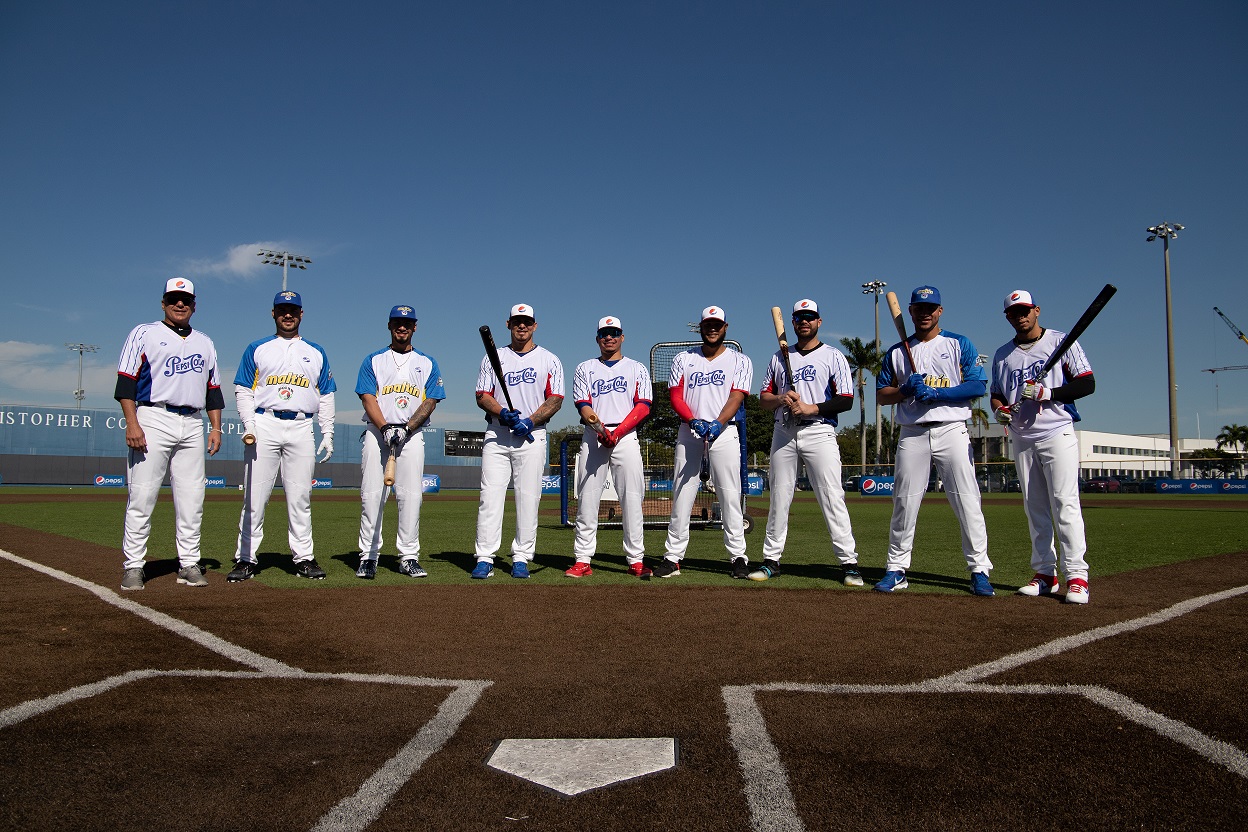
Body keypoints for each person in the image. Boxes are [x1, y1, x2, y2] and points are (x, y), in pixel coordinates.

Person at [875, 285, 994, 596]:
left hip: (952, 429)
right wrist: (905, 390)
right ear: (911, 312)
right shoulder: (897, 352)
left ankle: (979, 569)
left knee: (967, 500)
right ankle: (897, 568)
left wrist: (939, 393)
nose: (925, 313)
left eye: (931, 308)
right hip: (912, 432)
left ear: (940, 311)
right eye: (919, 308)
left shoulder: (958, 343)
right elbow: (881, 395)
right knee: (904, 501)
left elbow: (977, 385)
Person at [115, 277, 223, 590]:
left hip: (192, 421)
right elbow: (125, 382)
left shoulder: (205, 341)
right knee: (143, 495)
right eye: (174, 299)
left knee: (192, 498)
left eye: (186, 300)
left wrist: (215, 427)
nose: (180, 304)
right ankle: (134, 565)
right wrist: (132, 422)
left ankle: (189, 563)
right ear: (163, 303)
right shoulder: (144, 332)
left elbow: (213, 390)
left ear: (194, 305)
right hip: (153, 416)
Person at [990, 290, 1095, 604]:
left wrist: (1049, 393)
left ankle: (1077, 576)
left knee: (1064, 503)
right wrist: (999, 410)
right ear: (1007, 317)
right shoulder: (1002, 354)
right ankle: (1045, 574)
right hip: (1022, 437)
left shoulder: (1061, 341)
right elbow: (996, 393)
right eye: (1013, 313)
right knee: (1034, 507)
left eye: (1024, 311)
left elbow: (1087, 383)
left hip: (1056, 432)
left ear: (1036, 310)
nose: (1020, 317)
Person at [228, 290, 336, 582]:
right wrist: (249, 425)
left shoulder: (316, 351)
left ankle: (303, 558)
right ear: (273, 313)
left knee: (300, 496)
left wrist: (327, 432)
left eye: (293, 309)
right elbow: (243, 390)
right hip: (266, 423)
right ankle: (246, 558)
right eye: (282, 309)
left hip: (302, 426)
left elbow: (326, 395)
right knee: (255, 496)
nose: (287, 314)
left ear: (301, 314)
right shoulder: (257, 347)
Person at [753, 299, 863, 585]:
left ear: (819, 322)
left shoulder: (833, 356)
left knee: (831, 496)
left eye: (810, 317)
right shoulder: (778, 357)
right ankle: (771, 561)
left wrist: (812, 407)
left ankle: (849, 563)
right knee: (779, 497)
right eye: (799, 317)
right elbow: (764, 398)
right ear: (792, 323)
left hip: (819, 431)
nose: (804, 321)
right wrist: (781, 398)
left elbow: (846, 400)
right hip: (784, 431)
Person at [654, 305, 753, 579]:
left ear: (725, 328)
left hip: (724, 432)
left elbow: (737, 396)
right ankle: (673, 557)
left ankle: (738, 557)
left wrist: (719, 423)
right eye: (708, 324)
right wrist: (692, 419)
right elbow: (676, 396)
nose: (712, 328)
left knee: (730, 495)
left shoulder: (740, 361)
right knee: (682, 495)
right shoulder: (683, 359)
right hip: (690, 432)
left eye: (717, 324)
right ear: (700, 327)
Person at [472, 303, 564, 579]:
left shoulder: (550, 359)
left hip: (532, 435)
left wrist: (530, 420)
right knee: (490, 497)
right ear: (508, 324)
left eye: (527, 322)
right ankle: (485, 557)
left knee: (528, 498)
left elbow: (556, 399)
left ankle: (522, 556)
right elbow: (481, 395)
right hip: (498, 433)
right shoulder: (493, 357)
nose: (521, 326)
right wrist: (502, 412)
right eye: (516, 321)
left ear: (535, 325)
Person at [354, 305, 445, 579]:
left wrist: (407, 428)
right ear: (390, 326)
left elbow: (430, 400)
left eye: (407, 323)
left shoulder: (427, 362)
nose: (402, 327)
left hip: (412, 435)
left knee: (411, 496)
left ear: (415, 327)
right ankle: (368, 556)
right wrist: (384, 427)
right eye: (397, 323)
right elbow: (368, 397)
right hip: (376, 432)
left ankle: (408, 556)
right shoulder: (373, 360)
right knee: (372, 495)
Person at [566, 316, 654, 579]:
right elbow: (583, 404)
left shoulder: (636, 368)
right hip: (595, 436)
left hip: (626, 436)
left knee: (632, 499)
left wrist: (617, 432)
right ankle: (583, 559)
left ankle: (636, 559)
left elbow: (644, 405)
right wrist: (601, 430)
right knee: (588, 500)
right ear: (597, 338)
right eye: (604, 333)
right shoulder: (585, 367)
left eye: (614, 332)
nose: (609, 337)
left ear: (622, 336)